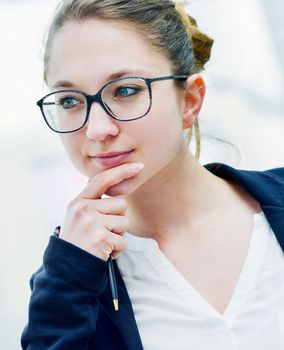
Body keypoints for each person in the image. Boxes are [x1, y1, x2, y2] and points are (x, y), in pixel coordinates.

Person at [21, 0, 284, 349]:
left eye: (125, 90)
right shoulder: (71, 283)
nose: (97, 130)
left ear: (190, 100)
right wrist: (69, 273)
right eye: (70, 101)